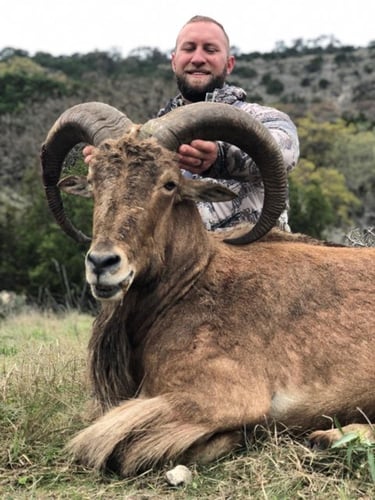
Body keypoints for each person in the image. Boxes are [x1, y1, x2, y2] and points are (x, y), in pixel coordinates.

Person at [84, 15, 299, 231]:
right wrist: (109, 167)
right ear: (174, 61)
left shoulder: (261, 118)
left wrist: (221, 157)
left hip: (255, 258)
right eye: (189, 49)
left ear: (229, 64)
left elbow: (285, 152)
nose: (198, 58)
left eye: (210, 49)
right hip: (175, 262)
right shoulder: (150, 136)